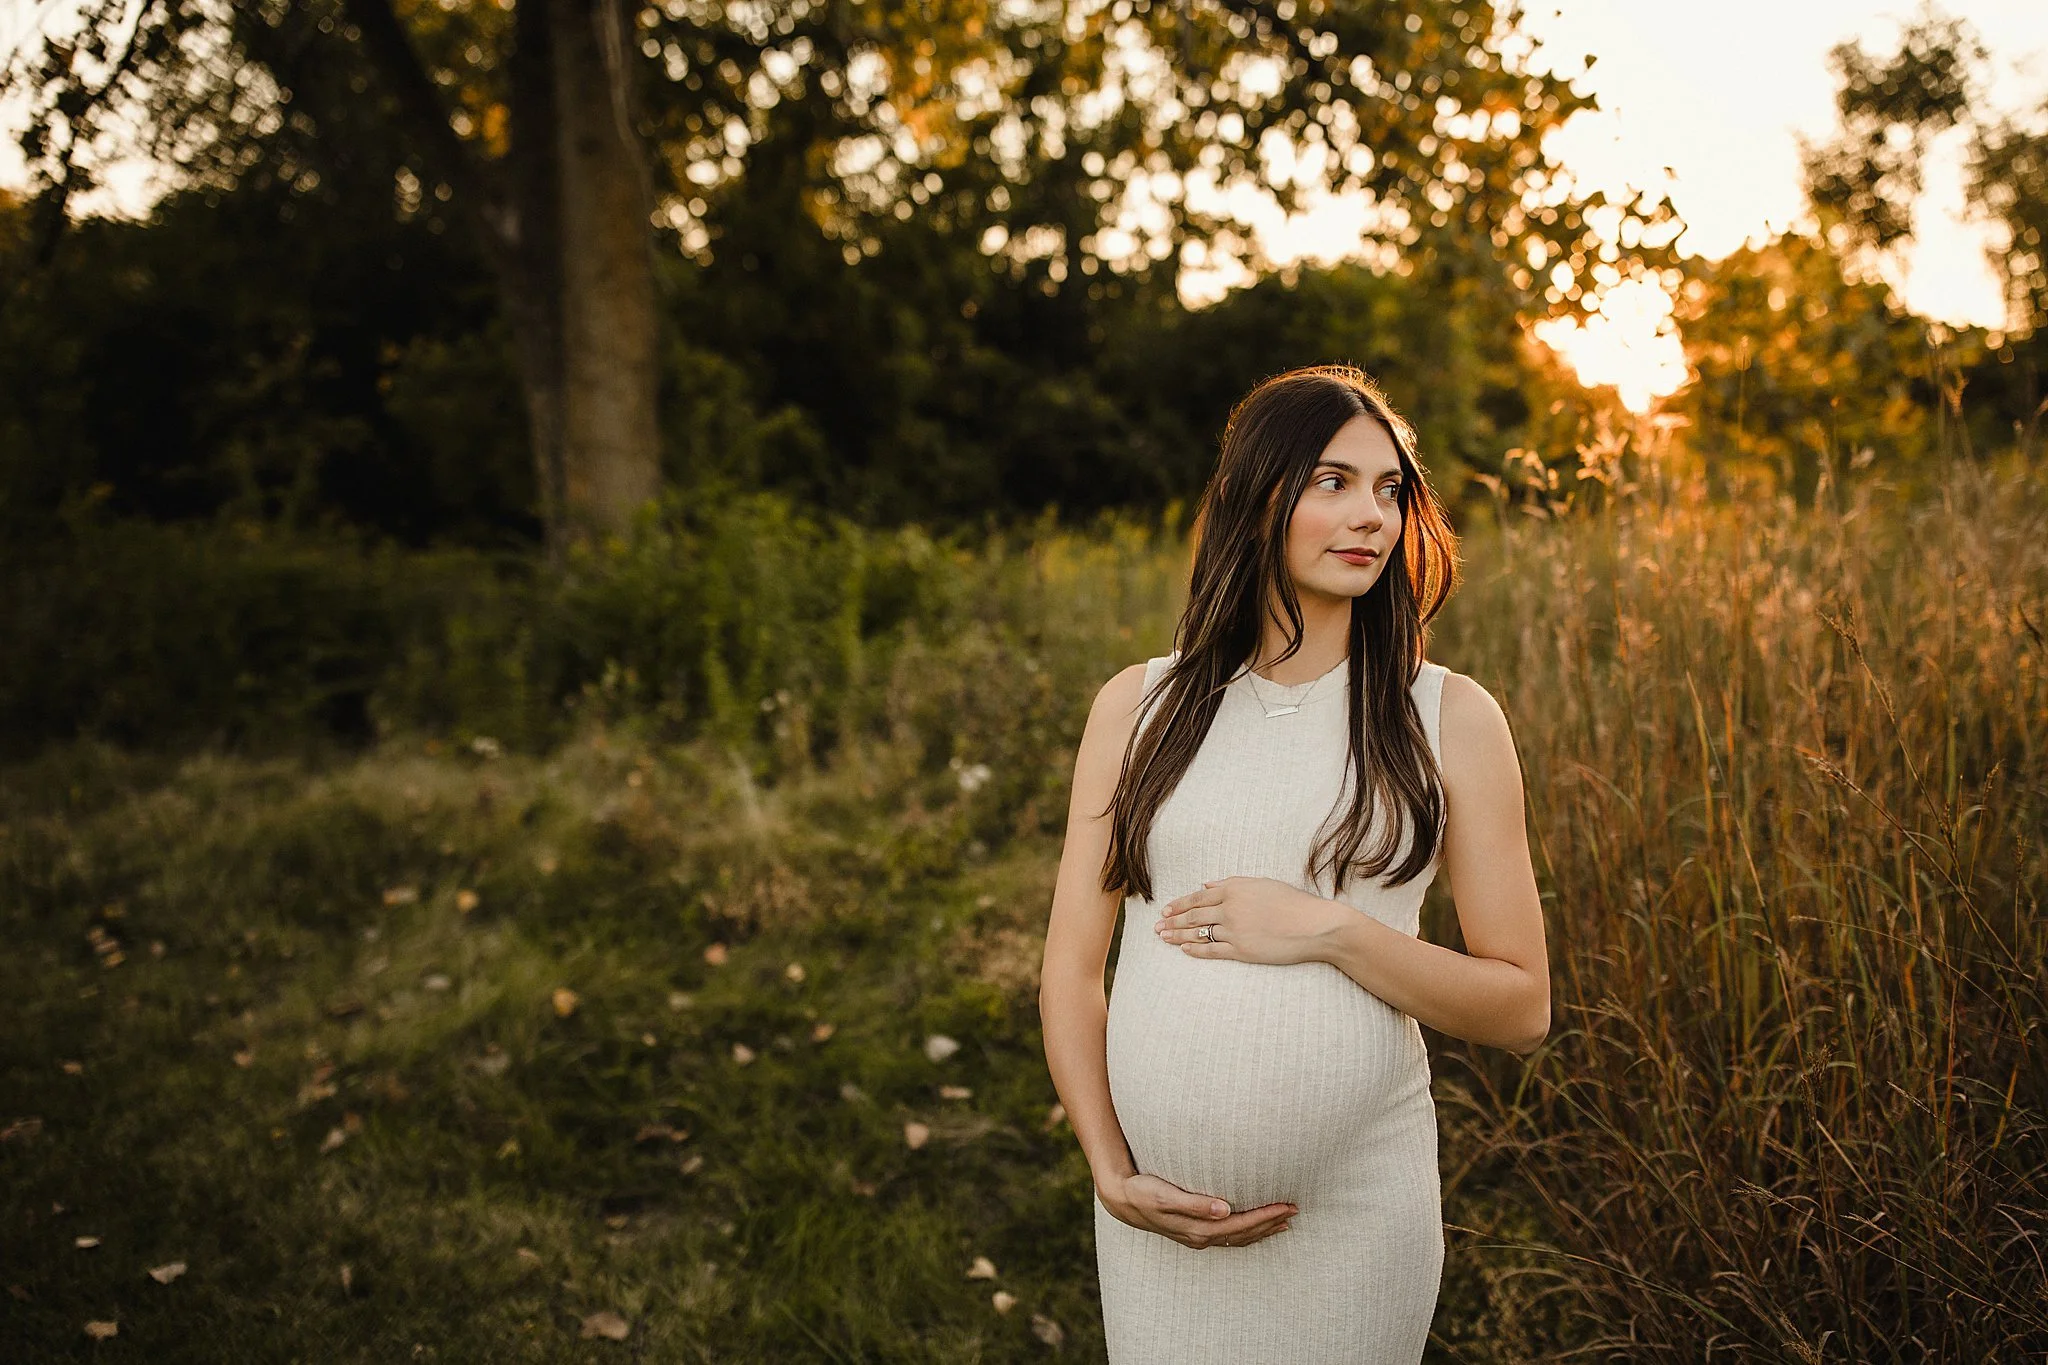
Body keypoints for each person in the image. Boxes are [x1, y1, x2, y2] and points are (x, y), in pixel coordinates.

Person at [1037, 364, 1550, 1363]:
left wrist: (1330, 930)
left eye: (1388, 490)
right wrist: (1108, 1169)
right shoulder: (1138, 708)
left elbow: (1520, 1008)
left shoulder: (1447, 716)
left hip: (1353, 1223)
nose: (1369, 515)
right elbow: (1069, 968)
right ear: (1254, 495)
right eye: (1331, 482)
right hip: (1156, 1227)